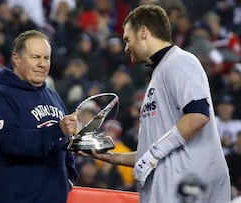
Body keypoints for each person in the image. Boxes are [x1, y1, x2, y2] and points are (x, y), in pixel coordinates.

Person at [77, 5, 231, 203]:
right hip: (173, 188)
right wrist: (111, 157)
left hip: (192, 187)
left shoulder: (180, 61)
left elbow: (198, 115)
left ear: (143, 32)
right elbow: (149, 153)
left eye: (127, 39)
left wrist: (153, 154)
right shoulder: (158, 74)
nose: (125, 47)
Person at [0, 30, 78, 203]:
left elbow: (65, 142)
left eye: (46, 58)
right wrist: (56, 130)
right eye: (35, 57)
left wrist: (69, 176)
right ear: (16, 58)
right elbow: (11, 142)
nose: (42, 64)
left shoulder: (52, 96)